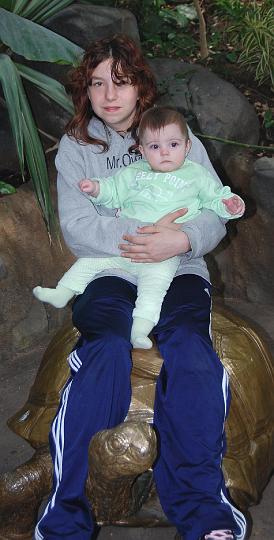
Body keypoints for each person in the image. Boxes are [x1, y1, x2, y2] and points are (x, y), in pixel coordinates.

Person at [35, 34, 247, 540]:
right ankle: (65, 515)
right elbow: (79, 226)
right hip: (109, 269)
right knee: (105, 346)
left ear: (140, 86)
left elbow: (215, 210)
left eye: (122, 83)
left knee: (192, 351)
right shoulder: (76, 147)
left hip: (179, 268)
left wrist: (181, 238)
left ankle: (203, 512)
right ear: (85, 90)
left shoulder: (175, 132)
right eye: (98, 83)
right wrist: (144, 239)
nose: (110, 95)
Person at [33, 107, 245, 350]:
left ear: (187, 147)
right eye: (155, 147)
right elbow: (113, 190)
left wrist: (229, 205)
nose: (165, 152)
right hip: (124, 249)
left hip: (164, 253)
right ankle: (62, 292)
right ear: (142, 151)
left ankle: (140, 329)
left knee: (153, 289)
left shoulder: (196, 175)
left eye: (173, 145)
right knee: (89, 263)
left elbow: (215, 201)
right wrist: (96, 188)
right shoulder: (135, 172)